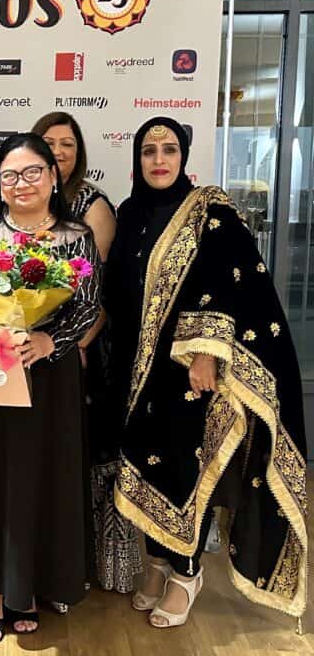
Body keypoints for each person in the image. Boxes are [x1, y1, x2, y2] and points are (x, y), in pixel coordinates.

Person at [107, 117, 307, 629]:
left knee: (182, 467)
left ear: (183, 156)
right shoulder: (129, 212)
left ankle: (186, 572)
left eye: (168, 149)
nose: (158, 160)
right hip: (135, 366)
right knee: (145, 461)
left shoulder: (210, 212)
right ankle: (155, 563)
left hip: (187, 372)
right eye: (148, 150)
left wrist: (206, 354)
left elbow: (229, 283)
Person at [0, 133, 100, 642]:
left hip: (49, 380)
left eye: (33, 172)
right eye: (10, 175)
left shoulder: (76, 237)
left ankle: (26, 586)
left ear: (54, 178)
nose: (21, 183)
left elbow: (89, 305)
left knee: (36, 478)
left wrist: (50, 339)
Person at [31, 111, 138, 594]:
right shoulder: (25, 199)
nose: (58, 151)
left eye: (68, 144)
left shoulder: (92, 205)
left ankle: (86, 563)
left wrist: (76, 346)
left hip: (82, 349)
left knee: (84, 451)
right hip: (27, 351)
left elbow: (100, 295)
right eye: (48, 142)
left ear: (80, 152)